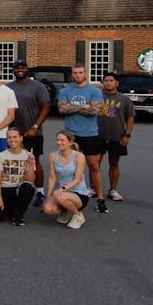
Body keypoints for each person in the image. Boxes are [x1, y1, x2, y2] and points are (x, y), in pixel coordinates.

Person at [58, 65, 105, 211]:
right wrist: (83, 107)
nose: (78, 75)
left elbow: (95, 111)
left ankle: (100, 199)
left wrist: (73, 107)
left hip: (90, 134)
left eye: (80, 72)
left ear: (85, 74)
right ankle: (68, 196)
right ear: (72, 75)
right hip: (70, 135)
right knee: (68, 167)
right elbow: (61, 109)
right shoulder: (65, 91)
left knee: (94, 166)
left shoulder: (95, 91)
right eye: (75, 73)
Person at [8, 59, 51, 206]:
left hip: (33, 132)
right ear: (13, 70)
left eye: (23, 67)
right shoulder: (9, 87)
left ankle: (40, 193)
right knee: (15, 162)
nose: (20, 70)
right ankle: (16, 190)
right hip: (13, 133)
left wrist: (35, 126)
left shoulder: (37, 86)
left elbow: (46, 107)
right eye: (17, 67)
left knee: (34, 161)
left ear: (27, 69)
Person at [98, 72, 135, 209]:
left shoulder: (124, 100)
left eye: (111, 80)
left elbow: (130, 118)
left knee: (114, 163)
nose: (108, 83)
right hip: (98, 135)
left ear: (116, 83)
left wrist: (127, 135)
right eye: (106, 80)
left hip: (116, 136)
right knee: (95, 164)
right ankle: (93, 188)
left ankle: (113, 189)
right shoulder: (97, 96)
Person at [41, 129, 91, 230]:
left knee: (60, 197)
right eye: (58, 140)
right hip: (63, 192)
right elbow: (52, 178)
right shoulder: (53, 156)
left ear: (70, 142)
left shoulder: (79, 156)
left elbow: (77, 179)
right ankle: (64, 210)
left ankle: (78, 216)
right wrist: (49, 196)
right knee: (47, 208)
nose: (59, 142)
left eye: (62, 140)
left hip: (79, 194)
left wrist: (63, 189)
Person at [0, 127, 36, 225]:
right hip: (5, 188)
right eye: (9, 137)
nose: (12, 140)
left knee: (28, 187)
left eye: (15, 137)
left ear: (21, 138)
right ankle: (9, 209)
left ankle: (18, 215)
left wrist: (31, 164)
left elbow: (30, 180)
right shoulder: (1, 155)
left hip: (19, 189)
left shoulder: (28, 155)